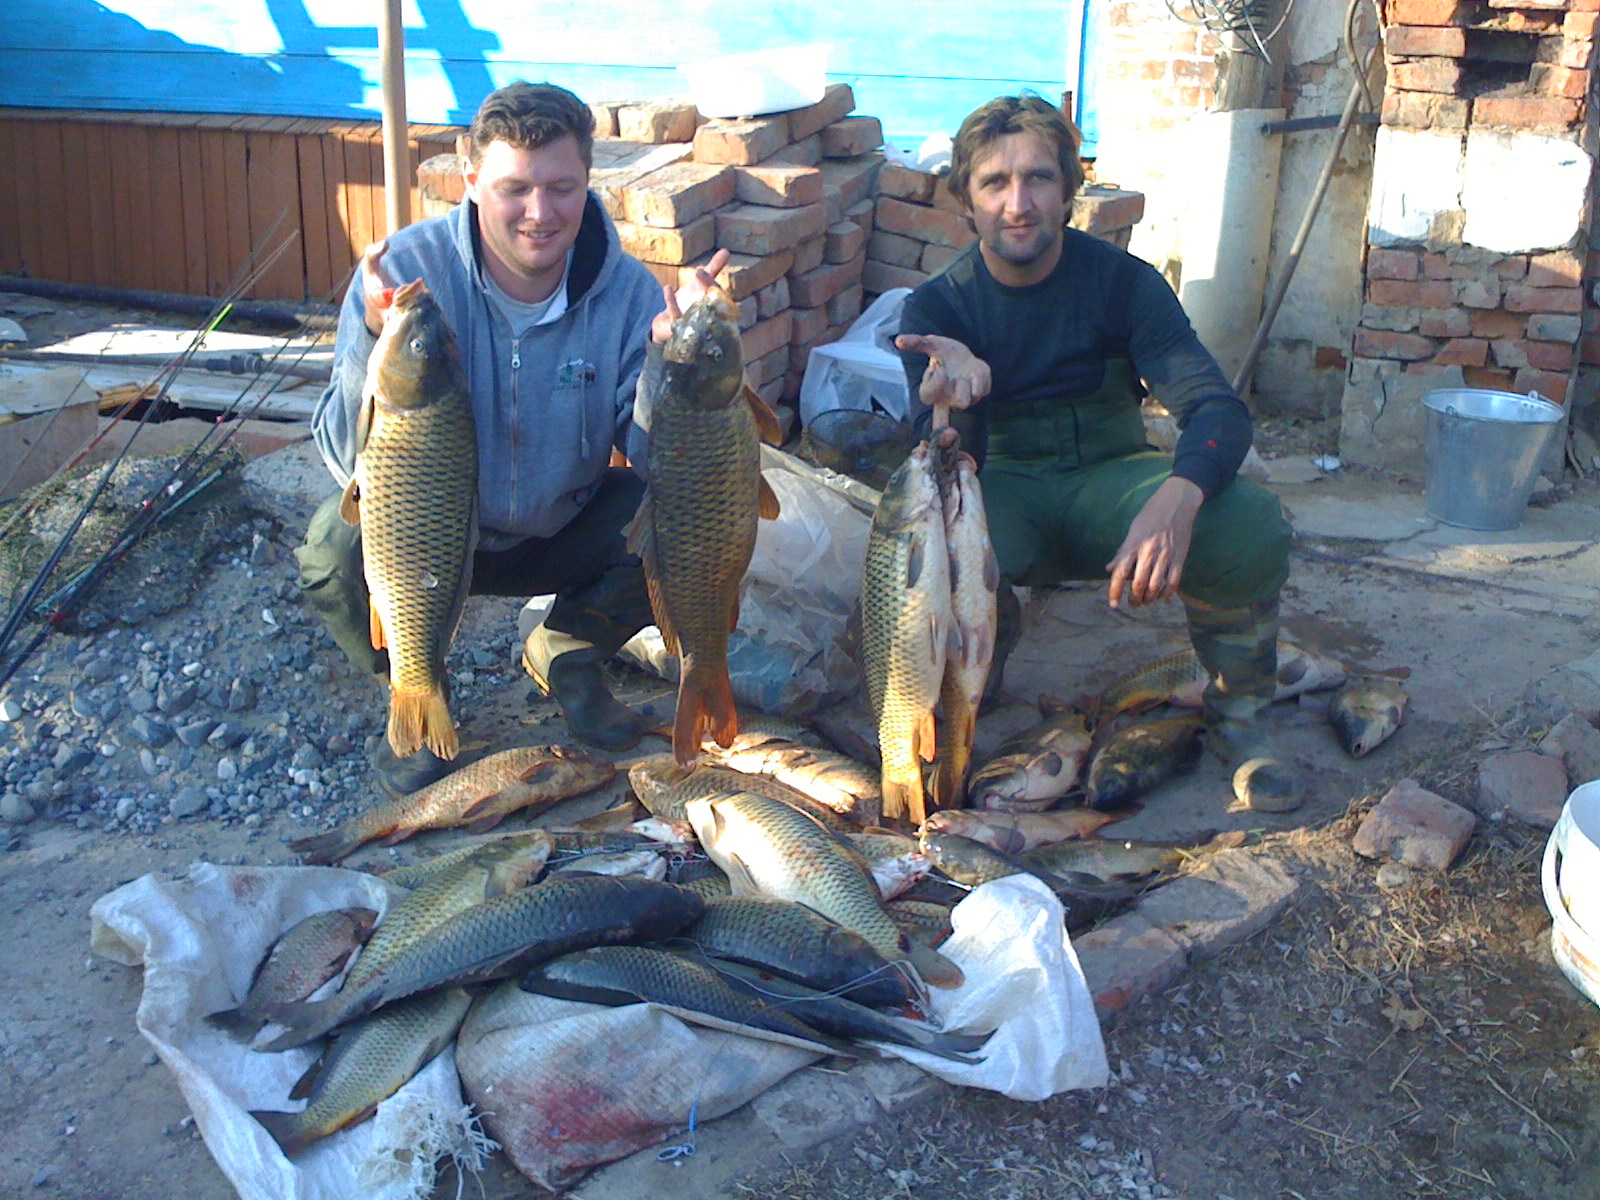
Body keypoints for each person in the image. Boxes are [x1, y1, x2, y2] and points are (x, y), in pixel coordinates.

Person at [298, 80, 725, 795]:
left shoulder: (628, 294)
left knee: (673, 522)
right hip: (432, 537)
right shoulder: (402, 279)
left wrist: (674, 370)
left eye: (561, 188)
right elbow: (344, 456)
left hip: (560, 525)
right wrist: (366, 353)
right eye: (513, 189)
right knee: (331, 553)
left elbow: (659, 460)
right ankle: (416, 685)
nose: (540, 213)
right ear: (471, 182)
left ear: (589, 182)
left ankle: (568, 652)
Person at [893, 93, 1301, 812]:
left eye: (1039, 178)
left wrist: (1179, 497)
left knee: (1247, 520)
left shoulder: (1122, 281)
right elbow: (940, 476)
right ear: (967, 201)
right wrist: (958, 401)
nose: (1018, 203)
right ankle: (953, 715)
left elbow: (1214, 408)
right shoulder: (937, 309)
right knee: (929, 562)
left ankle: (1240, 720)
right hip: (1003, 486)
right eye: (995, 183)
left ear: (1069, 191)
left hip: (1111, 476)